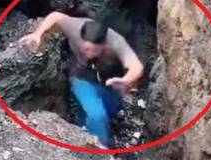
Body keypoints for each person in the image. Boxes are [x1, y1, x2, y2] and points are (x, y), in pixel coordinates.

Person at [18, 10, 144, 148]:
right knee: (97, 115)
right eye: (86, 49)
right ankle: (99, 148)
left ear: (103, 44)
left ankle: (87, 125)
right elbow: (56, 16)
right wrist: (37, 33)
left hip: (110, 79)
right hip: (82, 76)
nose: (89, 54)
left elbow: (136, 66)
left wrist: (126, 80)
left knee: (110, 110)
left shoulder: (116, 42)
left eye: (94, 50)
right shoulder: (74, 27)